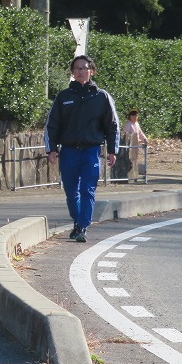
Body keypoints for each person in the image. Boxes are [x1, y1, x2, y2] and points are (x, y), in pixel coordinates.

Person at [45, 55, 120, 243]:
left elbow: (112, 125)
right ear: (72, 72)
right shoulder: (63, 97)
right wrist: (51, 149)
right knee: (71, 192)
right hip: (69, 151)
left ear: (91, 71)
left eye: (85, 68)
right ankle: (78, 221)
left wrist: (113, 150)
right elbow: (52, 125)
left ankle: (83, 226)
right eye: (77, 68)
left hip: (91, 151)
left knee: (88, 189)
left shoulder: (101, 96)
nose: (81, 71)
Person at [123, 109, 148, 180]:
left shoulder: (136, 124)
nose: (135, 117)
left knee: (135, 159)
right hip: (130, 145)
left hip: (136, 144)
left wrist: (145, 139)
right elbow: (126, 135)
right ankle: (130, 175)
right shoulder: (128, 124)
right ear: (130, 116)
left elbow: (140, 132)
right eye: (133, 116)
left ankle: (134, 174)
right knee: (131, 159)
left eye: (136, 116)